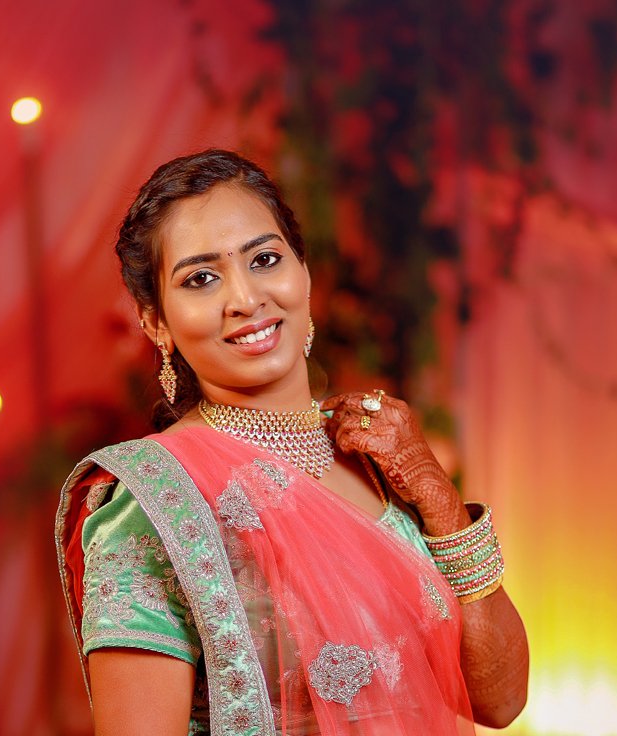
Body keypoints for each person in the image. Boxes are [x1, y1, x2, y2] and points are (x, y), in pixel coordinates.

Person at [56, 149, 528, 735]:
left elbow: (501, 701)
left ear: (302, 272)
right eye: (201, 279)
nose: (245, 299)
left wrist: (440, 500)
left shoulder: (379, 458)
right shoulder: (155, 504)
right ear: (156, 322)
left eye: (265, 259)